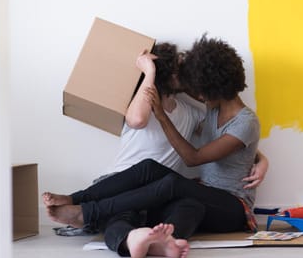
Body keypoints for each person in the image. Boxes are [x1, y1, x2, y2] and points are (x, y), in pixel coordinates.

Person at [43, 35, 261, 256]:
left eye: (202, 90)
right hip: (202, 194)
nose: (199, 95)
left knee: (172, 184)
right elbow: (230, 144)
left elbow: (193, 158)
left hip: (233, 206)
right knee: (173, 191)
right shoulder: (214, 111)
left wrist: (161, 115)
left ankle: (87, 213)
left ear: (216, 89)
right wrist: (260, 158)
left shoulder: (246, 122)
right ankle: (166, 242)